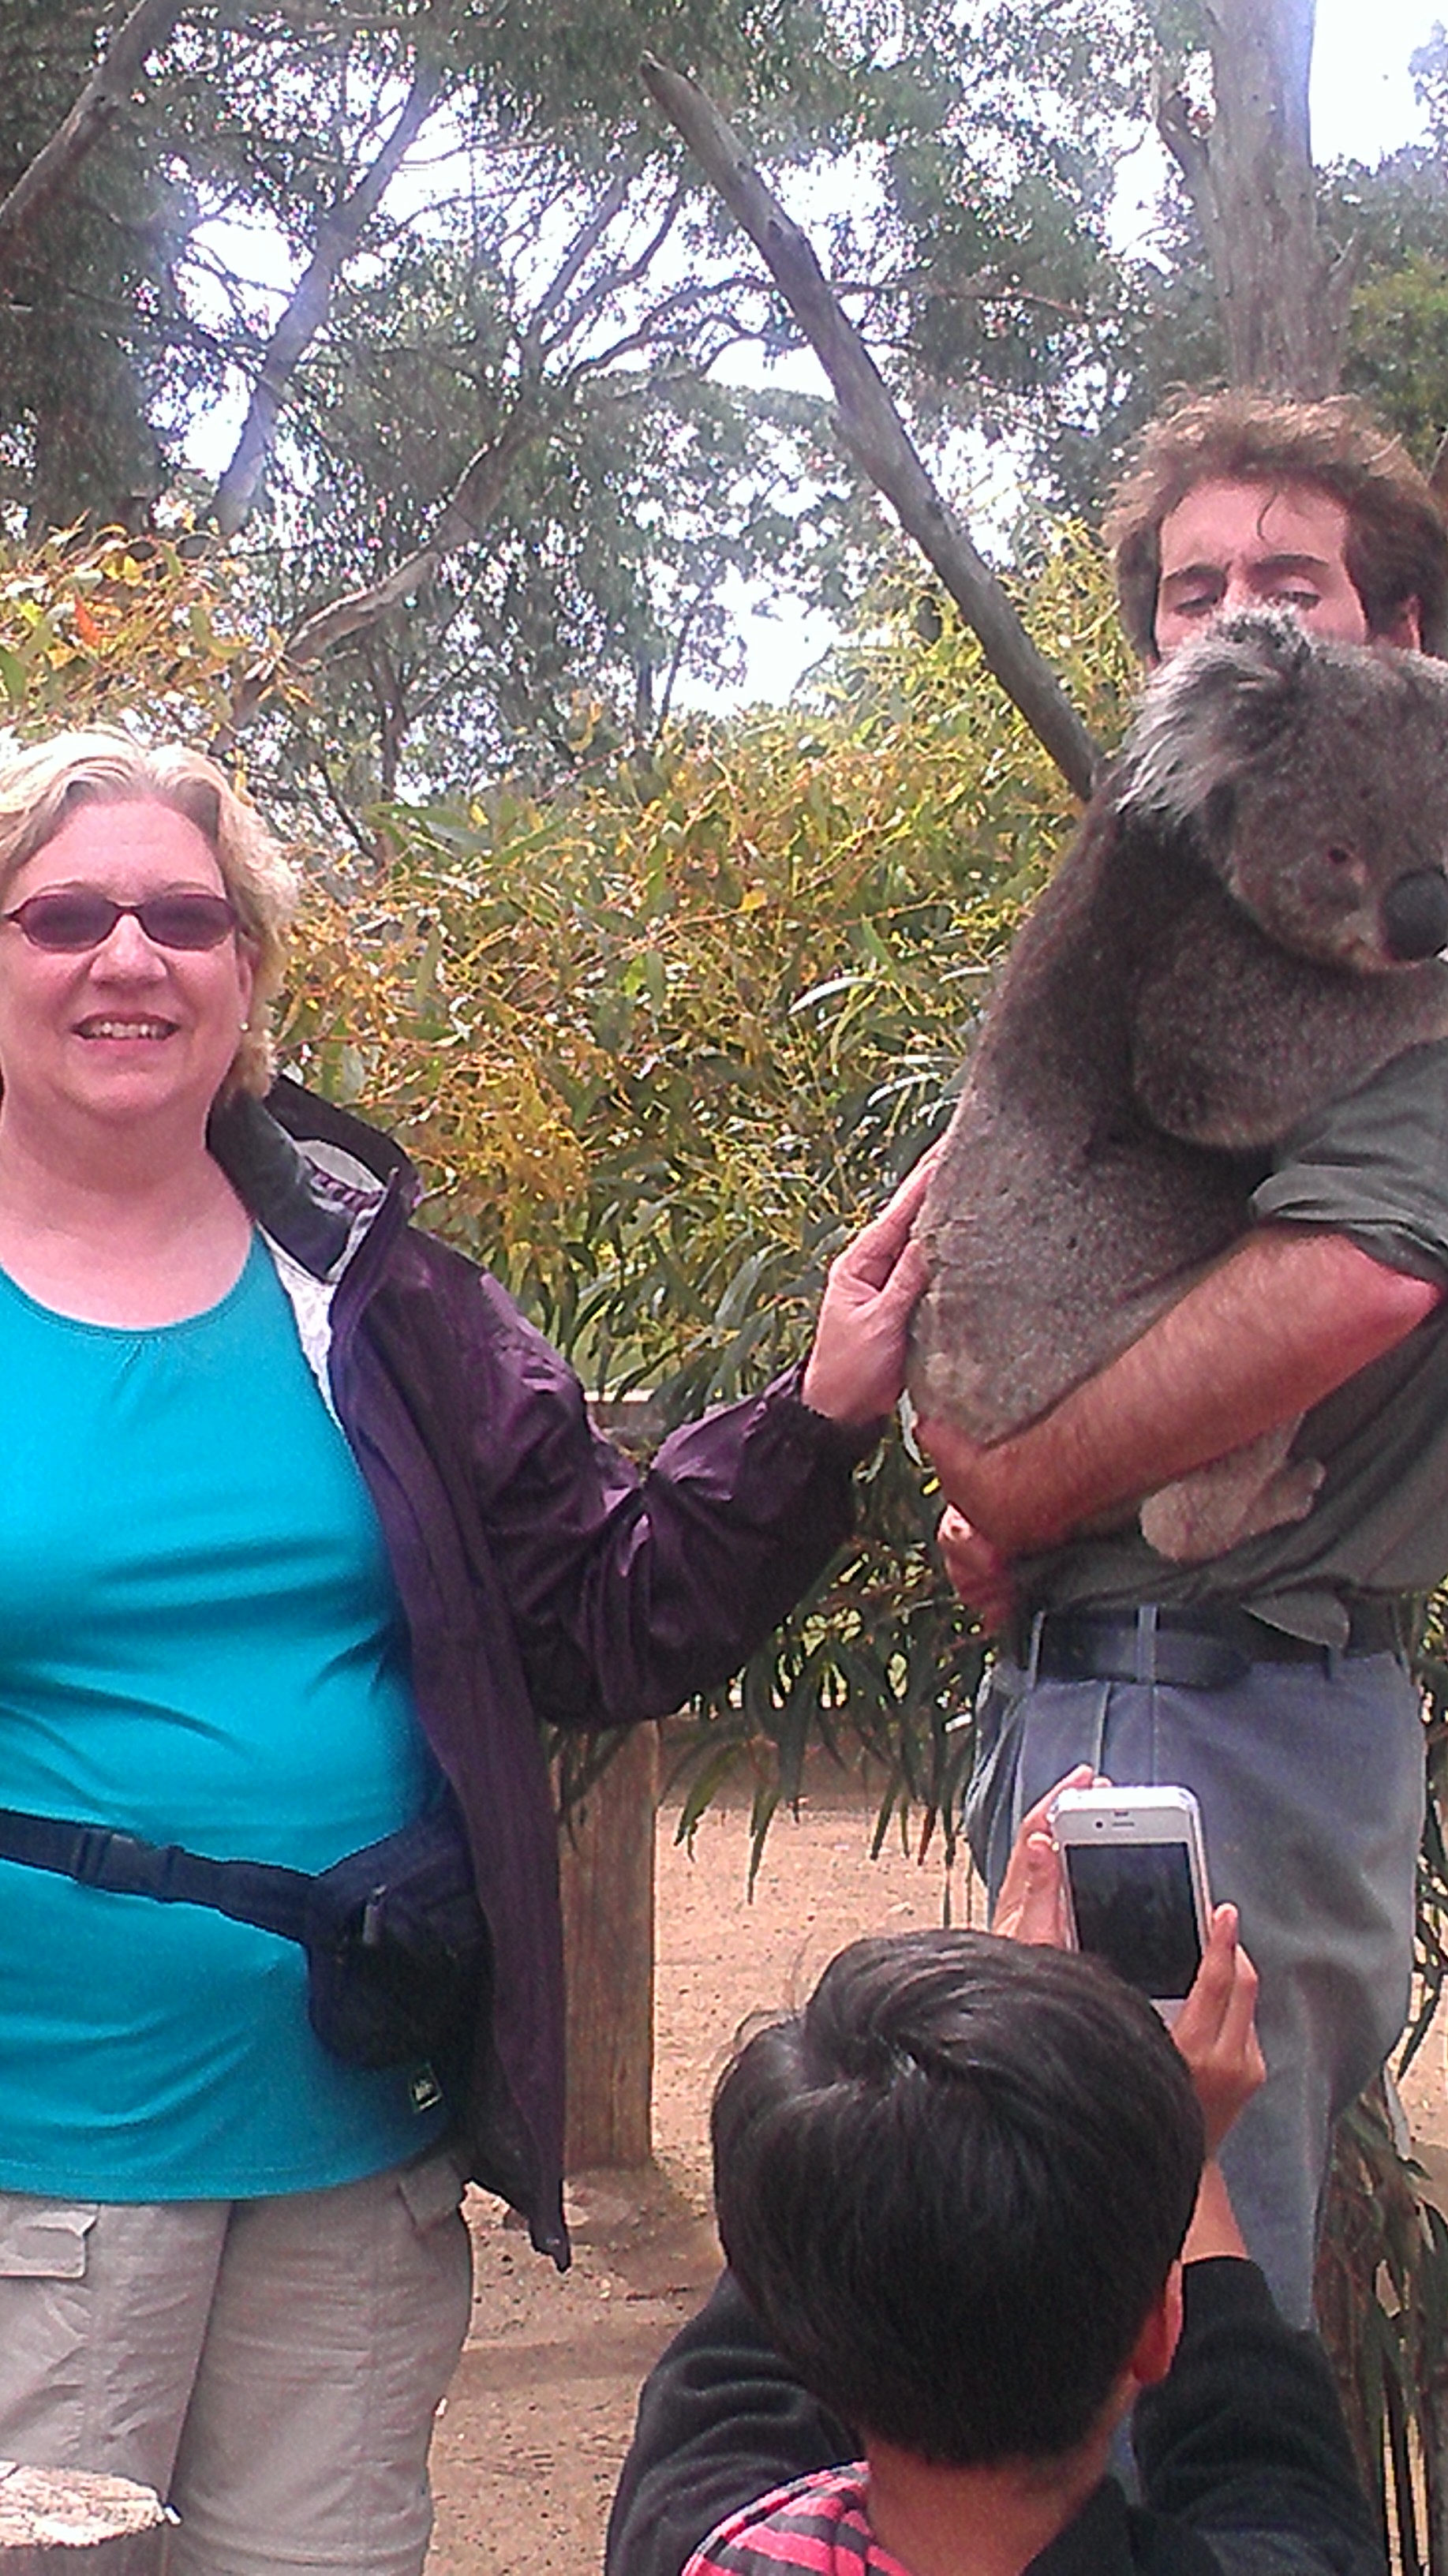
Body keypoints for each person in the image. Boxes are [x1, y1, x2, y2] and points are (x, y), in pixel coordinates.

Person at [0, 728, 930, 2576]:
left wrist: (816, 1417)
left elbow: (593, 1607)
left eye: (184, 915)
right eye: (65, 914)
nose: (129, 957)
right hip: (39, 2161)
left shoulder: (372, 1288)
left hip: (351, 2135)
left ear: (248, 970)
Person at [917, 388, 1448, 2323]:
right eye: (1192, 589)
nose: (1240, 621)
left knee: (1157, 2270)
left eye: (1288, 583)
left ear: (1398, 625)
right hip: (1127, 1680)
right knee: (1121, 2262)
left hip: (1207, 1683)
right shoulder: (1183, 858)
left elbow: (1348, 1287)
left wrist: (1003, 1479)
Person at [605, 1780, 1382, 2576]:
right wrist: (1175, 2142)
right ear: (1158, 2329)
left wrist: (969, 2079)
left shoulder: (696, 2544)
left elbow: (742, 2362)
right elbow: (1272, 2475)